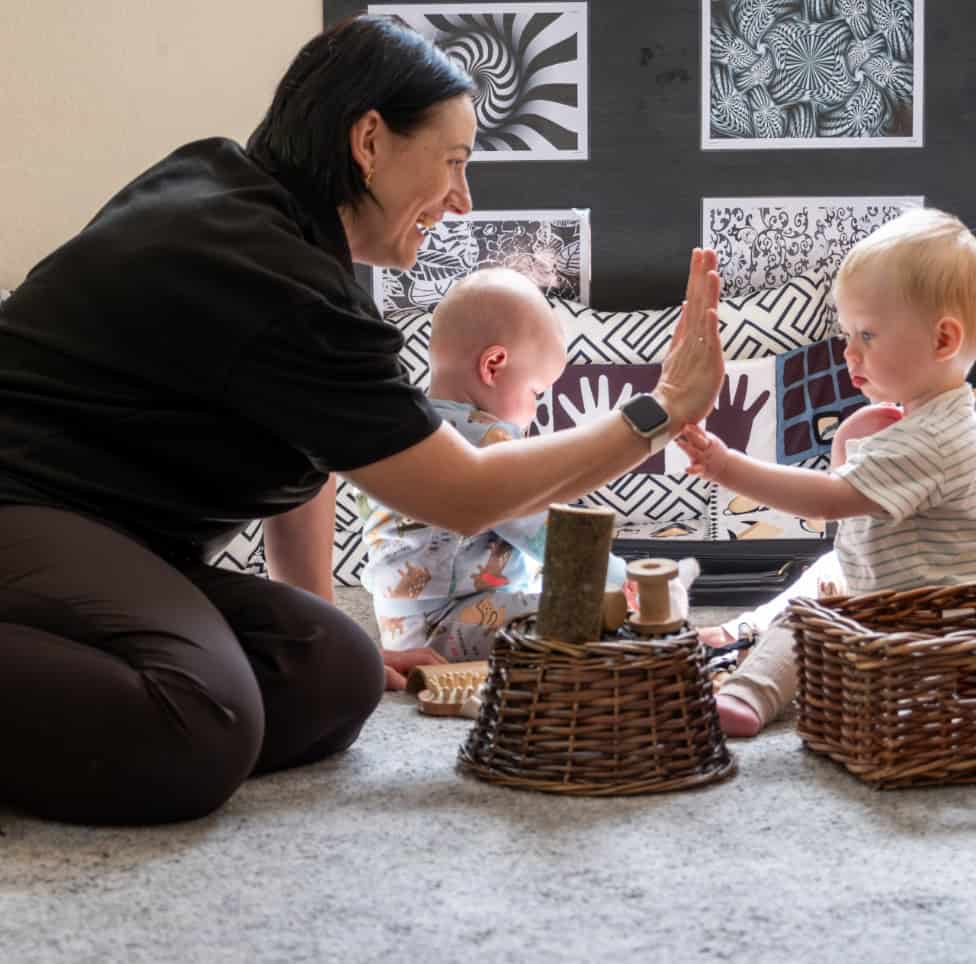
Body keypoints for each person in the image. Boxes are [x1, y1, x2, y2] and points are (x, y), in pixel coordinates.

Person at [0, 14, 723, 826]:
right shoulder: (262, 268)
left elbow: (305, 441)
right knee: (202, 724)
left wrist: (307, 613)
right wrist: (659, 411)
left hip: (107, 536)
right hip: (22, 505)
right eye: (452, 162)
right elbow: (464, 492)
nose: (461, 199)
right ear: (370, 140)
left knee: (331, 675)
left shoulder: (259, 219)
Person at [678, 208, 976, 737]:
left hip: (923, 625)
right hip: (914, 596)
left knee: (808, 617)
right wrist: (851, 440)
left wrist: (726, 465)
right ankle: (739, 631)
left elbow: (827, 501)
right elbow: (863, 514)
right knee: (821, 573)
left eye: (868, 334)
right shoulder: (946, 417)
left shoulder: (926, 440)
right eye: (846, 333)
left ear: (942, 341)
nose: (849, 352)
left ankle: (750, 693)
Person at [357, 267, 631, 660]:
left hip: (404, 626)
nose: (535, 410)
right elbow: (544, 531)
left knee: (541, 583)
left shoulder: (407, 428)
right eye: (536, 392)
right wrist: (621, 579)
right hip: (449, 623)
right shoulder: (485, 440)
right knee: (591, 613)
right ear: (493, 365)